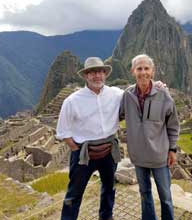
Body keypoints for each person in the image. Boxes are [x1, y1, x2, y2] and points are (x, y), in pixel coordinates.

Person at [56, 57, 123, 220]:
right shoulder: (72, 101)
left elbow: (138, 92)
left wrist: (157, 85)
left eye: (100, 72)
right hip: (83, 153)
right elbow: (63, 131)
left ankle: (106, 217)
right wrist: (76, 149)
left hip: (109, 151)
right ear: (86, 75)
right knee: (74, 194)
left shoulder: (116, 94)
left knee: (109, 187)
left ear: (105, 74)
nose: (97, 76)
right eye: (92, 72)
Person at [120, 54, 180, 220]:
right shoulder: (127, 96)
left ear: (152, 71)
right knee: (145, 194)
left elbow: (173, 124)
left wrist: (172, 149)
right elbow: (115, 115)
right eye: (139, 68)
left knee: (165, 198)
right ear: (133, 71)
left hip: (159, 156)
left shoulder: (163, 95)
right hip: (138, 157)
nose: (143, 72)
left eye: (146, 68)